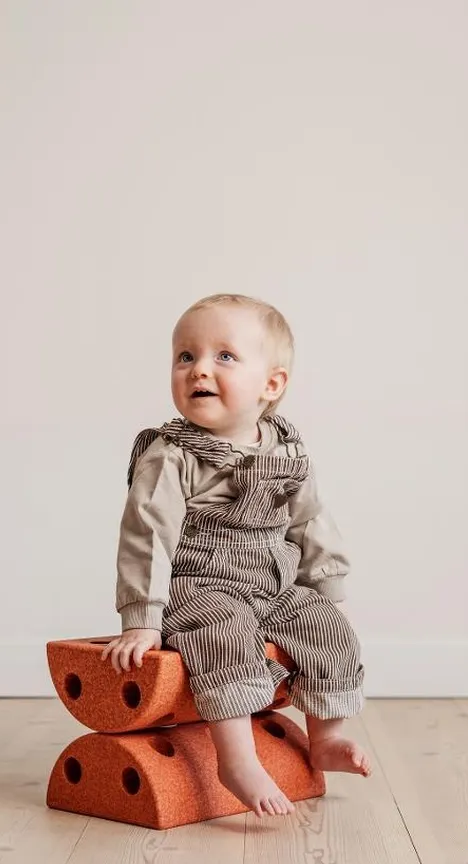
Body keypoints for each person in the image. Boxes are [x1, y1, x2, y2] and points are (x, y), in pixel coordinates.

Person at [102, 293, 369, 817]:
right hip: (198, 586)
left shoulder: (287, 452)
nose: (199, 368)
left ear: (271, 385)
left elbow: (311, 521)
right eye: (186, 357)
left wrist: (326, 589)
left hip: (272, 583)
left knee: (328, 630)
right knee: (224, 634)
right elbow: (146, 536)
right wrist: (142, 620)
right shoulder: (171, 455)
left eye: (223, 357)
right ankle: (237, 759)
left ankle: (325, 736)